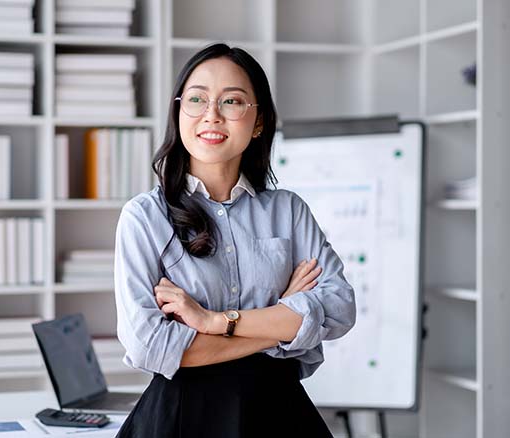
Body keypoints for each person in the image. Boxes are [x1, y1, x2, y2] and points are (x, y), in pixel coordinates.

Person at [114, 43, 356, 438]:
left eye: (232, 101)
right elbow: (150, 346)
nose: (211, 114)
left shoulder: (288, 212)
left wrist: (212, 322)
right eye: (196, 99)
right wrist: (280, 322)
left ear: (258, 121)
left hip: (280, 415)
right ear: (179, 113)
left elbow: (340, 308)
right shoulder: (145, 217)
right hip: (181, 419)